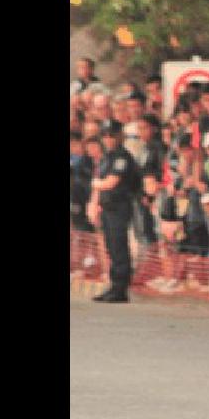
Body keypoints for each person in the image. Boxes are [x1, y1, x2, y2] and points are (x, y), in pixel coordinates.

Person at [88, 125, 142, 303]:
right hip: (108, 207)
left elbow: (111, 182)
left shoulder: (122, 157)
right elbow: (102, 182)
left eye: (111, 135)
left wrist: (96, 183)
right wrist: (95, 202)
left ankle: (120, 288)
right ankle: (113, 285)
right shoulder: (108, 157)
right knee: (111, 247)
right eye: (105, 136)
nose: (108, 139)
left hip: (120, 206)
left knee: (119, 247)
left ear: (119, 136)